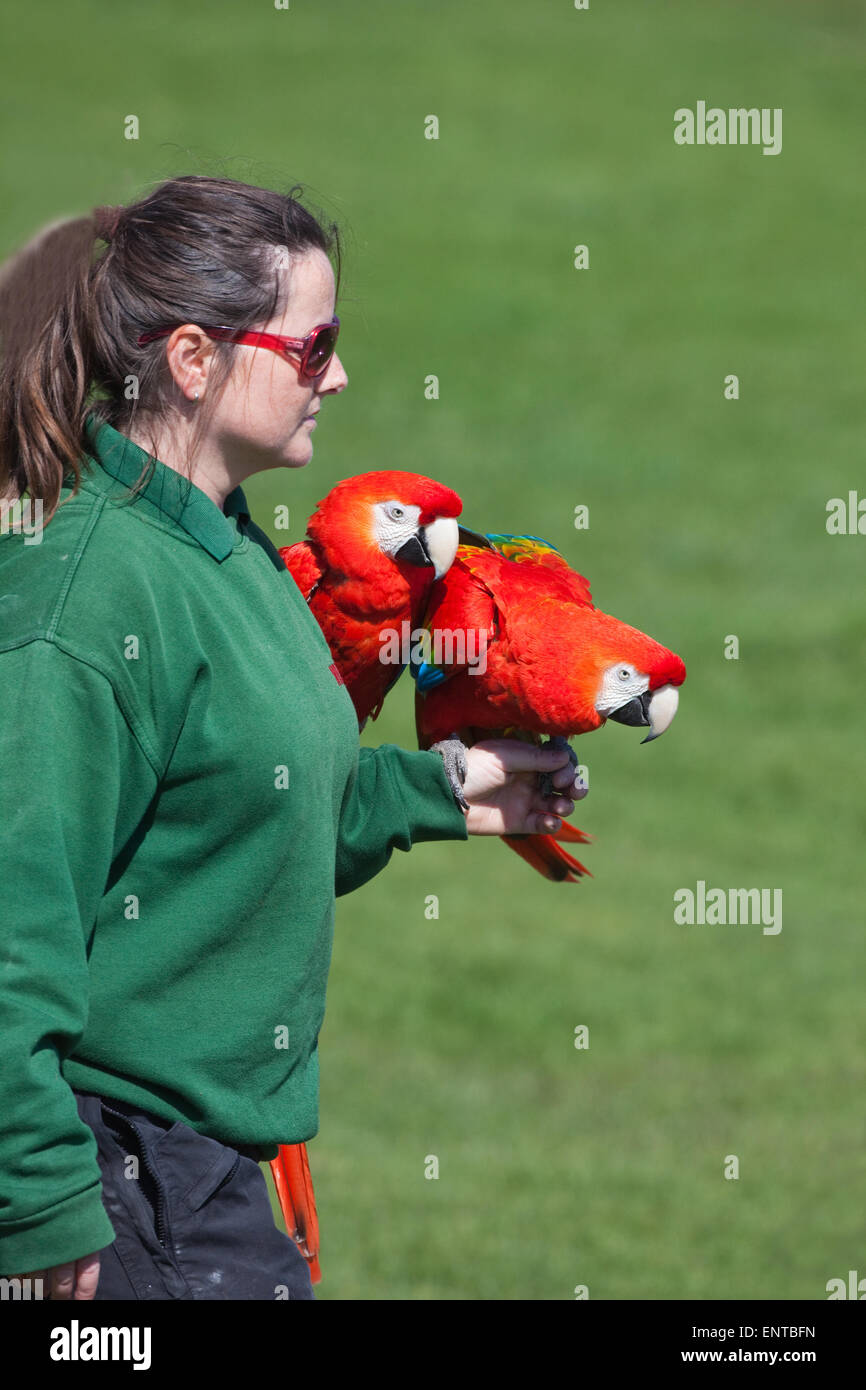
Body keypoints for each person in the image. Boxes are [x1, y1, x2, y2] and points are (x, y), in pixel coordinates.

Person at [0, 174, 585, 1300]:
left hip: (195, 1165)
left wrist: (437, 791)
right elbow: (12, 923)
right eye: (312, 349)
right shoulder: (84, 609)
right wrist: (35, 1199)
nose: (341, 377)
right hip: (111, 1175)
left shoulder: (219, 544)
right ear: (190, 359)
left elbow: (233, 803)